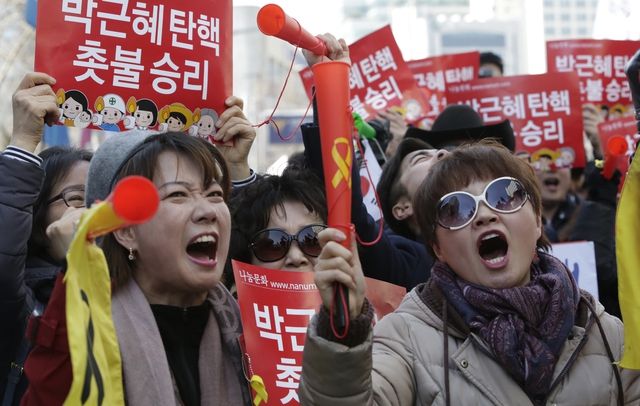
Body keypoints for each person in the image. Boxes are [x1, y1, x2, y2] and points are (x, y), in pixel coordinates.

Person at [299, 140, 639, 405]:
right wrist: (343, 329)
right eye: (456, 209)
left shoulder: (605, 332)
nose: (485, 215)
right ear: (437, 247)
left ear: (537, 221)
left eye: (504, 196)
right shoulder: (405, 337)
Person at [0, 72, 92, 406]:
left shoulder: (133, 289)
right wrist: (24, 140)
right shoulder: (21, 303)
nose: (95, 212)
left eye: (105, 199)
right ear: (37, 223)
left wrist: (237, 171)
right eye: (78, 199)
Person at [224, 166, 328, 288]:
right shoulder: (225, 307)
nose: (296, 258)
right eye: (273, 245)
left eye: (313, 241)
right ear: (247, 260)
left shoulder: (354, 304)